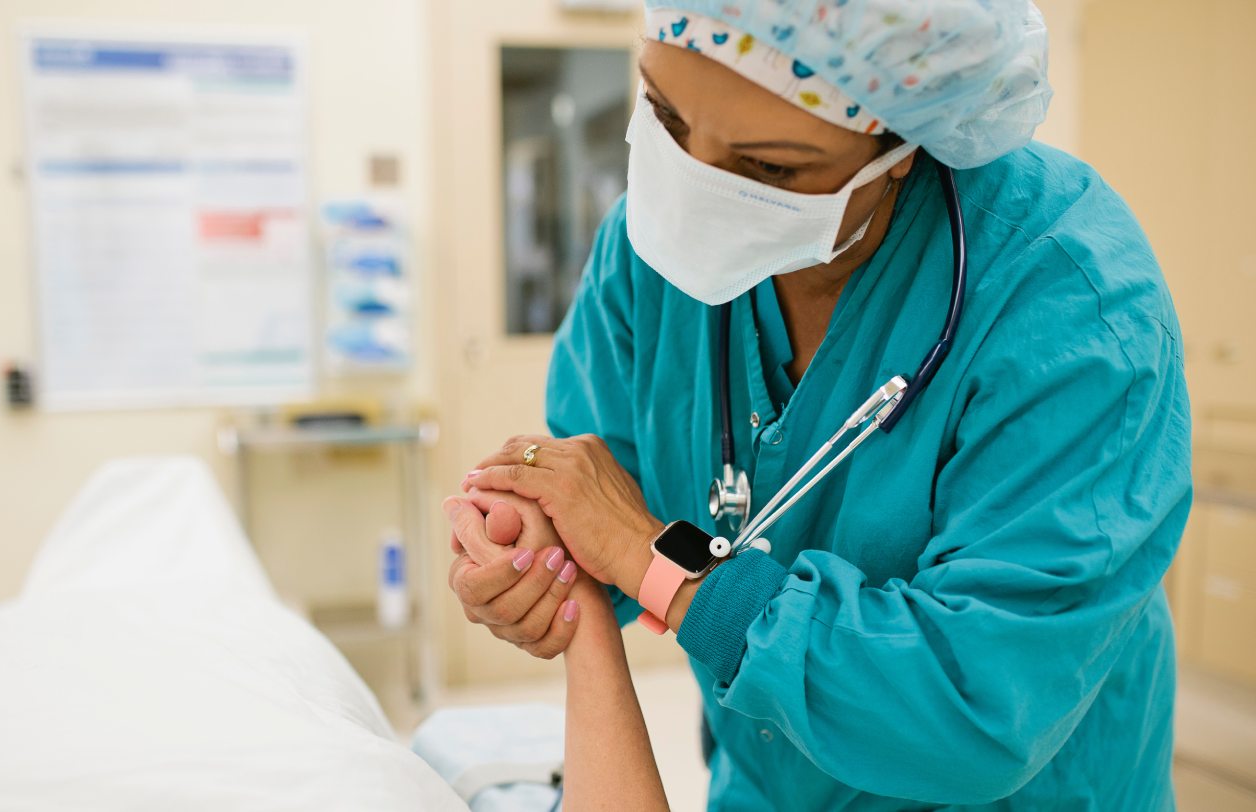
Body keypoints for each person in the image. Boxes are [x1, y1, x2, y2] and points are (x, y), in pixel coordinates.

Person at [445, 0, 1192, 808]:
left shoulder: (1070, 306)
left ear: (902, 141)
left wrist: (651, 559)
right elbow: (607, 505)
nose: (694, 188)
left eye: (770, 168)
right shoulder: (647, 258)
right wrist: (544, 559)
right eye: (665, 115)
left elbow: (976, 708)